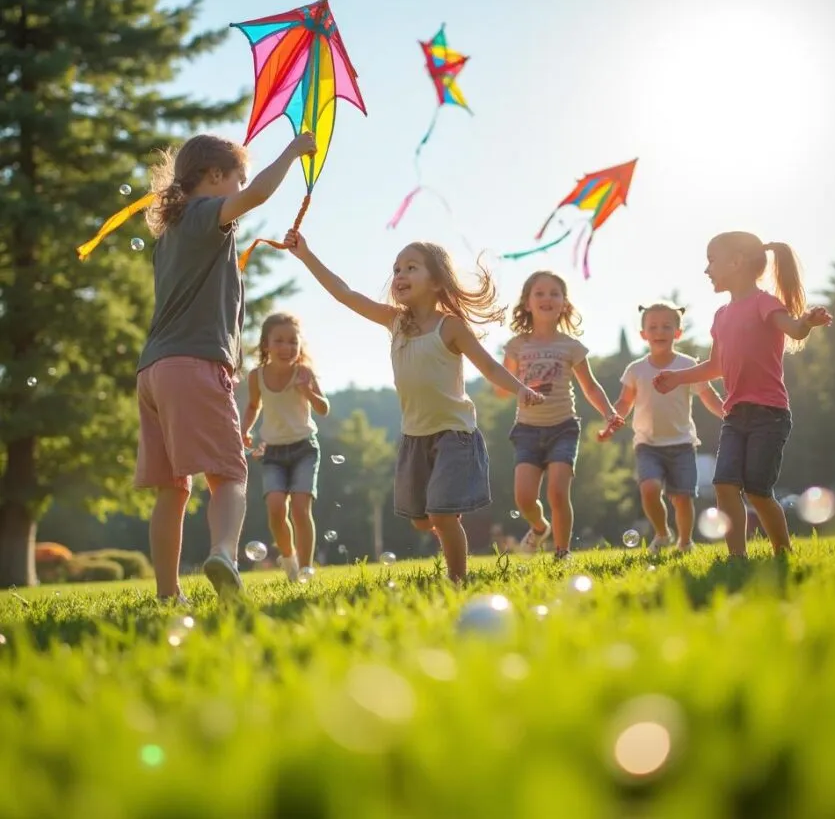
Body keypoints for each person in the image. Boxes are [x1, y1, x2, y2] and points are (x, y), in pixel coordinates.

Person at [282, 230, 543, 582]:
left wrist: (520, 389)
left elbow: (490, 367)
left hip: (454, 434)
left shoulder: (450, 327)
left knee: (441, 514)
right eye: (396, 269)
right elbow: (345, 294)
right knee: (423, 520)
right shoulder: (396, 322)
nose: (400, 275)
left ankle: (457, 579)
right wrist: (306, 255)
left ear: (436, 281)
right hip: (414, 436)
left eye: (411, 267)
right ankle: (446, 517)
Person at [134, 130, 317, 601]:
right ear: (215, 176)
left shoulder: (170, 234)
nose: (242, 188)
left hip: (153, 372)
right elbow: (258, 196)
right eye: (238, 178)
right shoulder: (203, 216)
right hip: (194, 365)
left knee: (173, 489)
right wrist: (293, 151)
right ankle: (223, 554)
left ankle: (168, 593)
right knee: (230, 475)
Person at [653, 233, 832, 556]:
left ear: (736, 262)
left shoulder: (764, 302)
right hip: (734, 415)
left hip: (769, 415)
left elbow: (794, 329)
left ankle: (783, 552)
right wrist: (677, 378)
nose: (706, 270)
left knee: (758, 492)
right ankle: (737, 558)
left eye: (711, 261)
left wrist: (806, 322)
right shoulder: (721, 316)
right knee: (724, 485)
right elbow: (715, 366)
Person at [500, 270, 623, 560]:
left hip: (563, 429)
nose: (547, 298)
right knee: (524, 498)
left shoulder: (571, 347)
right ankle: (539, 527)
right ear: (527, 303)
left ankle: (562, 552)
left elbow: (590, 387)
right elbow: (502, 386)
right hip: (527, 430)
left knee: (557, 492)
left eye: (554, 293)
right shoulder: (517, 345)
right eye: (539, 293)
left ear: (564, 303)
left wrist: (609, 412)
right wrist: (517, 388)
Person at [601, 301, 723, 553]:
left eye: (667, 326)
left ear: (678, 333)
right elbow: (624, 401)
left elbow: (708, 394)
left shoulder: (687, 365)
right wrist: (612, 421)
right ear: (643, 334)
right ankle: (662, 533)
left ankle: (685, 541)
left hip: (682, 444)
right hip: (647, 445)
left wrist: (726, 412)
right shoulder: (636, 369)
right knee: (649, 488)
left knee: (683, 497)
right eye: (653, 327)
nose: (659, 332)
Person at [242, 312, 329, 581]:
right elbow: (253, 406)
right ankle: (289, 557)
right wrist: (244, 430)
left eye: (293, 341)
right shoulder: (256, 376)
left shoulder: (304, 373)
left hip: (304, 449)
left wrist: (308, 392)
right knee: (276, 508)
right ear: (265, 345)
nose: (286, 347)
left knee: (301, 508)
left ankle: (305, 570)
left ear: (300, 345)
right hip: (273, 452)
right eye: (279, 341)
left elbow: (323, 409)